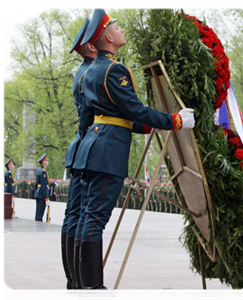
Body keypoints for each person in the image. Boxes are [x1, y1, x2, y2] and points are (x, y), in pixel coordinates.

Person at [72, 8, 195, 300]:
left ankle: (83, 285)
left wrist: (139, 127)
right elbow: (135, 109)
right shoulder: (115, 70)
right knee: (95, 219)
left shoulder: (90, 71)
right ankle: (91, 288)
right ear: (109, 38)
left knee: (87, 217)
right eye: (117, 27)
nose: (121, 29)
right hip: (107, 152)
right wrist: (175, 120)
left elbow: (90, 118)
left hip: (93, 147)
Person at [61, 17, 98, 298]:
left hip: (79, 146)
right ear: (89, 45)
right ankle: (77, 280)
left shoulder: (83, 72)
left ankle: (74, 280)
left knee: (73, 216)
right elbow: (88, 114)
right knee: (78, 216)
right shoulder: (88, 74)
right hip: (86, 145)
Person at [34, 154, 50, 221]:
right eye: (46, 160)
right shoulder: (43, 172)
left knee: (38, 213)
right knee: (40, 214)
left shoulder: (39, 170)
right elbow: (44, 186)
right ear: (43, 162)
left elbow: (36, 184)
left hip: (39, 193)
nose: (47, 161)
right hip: (42, 195)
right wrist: (46, 198)